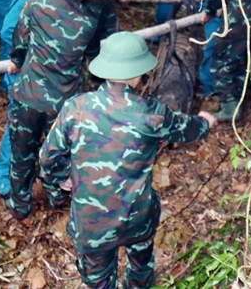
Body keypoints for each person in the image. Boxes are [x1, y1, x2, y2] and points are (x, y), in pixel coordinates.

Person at [39, 31, 217, 288]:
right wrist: (205, 122)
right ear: (138, 72)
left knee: (98, 281)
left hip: (91, 225)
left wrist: (62, 177)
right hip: (137, 219)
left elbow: (47, 158)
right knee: (140, 268)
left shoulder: (75, 108)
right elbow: (187, 130)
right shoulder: (151, 113)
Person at [5, 0, 102, 219]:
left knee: (22, 153)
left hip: (28, 97)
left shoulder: (36, 3)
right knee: (56, 153)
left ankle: (20, 206)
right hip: (63, 105)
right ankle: (55, 199)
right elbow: (91, 53)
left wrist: (16, 62)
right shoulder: (89, 21)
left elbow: (19, 41)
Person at [0, 0, 68, 201]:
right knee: (16, 125)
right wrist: (25, 59)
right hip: (23, 73)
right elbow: (8, 32)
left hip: (41, 77)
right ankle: (3, 176)